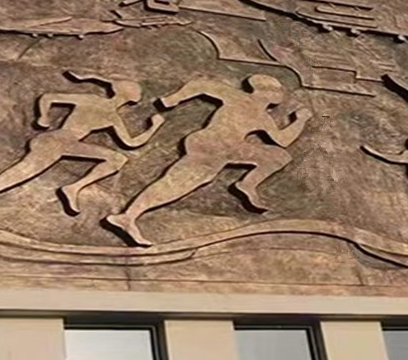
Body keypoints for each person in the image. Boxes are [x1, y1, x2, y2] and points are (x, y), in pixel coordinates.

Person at [0, 70, 164, 236]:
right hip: (53, 142)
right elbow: (49, 97)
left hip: (67, 144)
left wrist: (154, 128)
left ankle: (74, 187)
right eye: (137, 92)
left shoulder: (113, 117)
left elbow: (130, 142)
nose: (138, 95)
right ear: (127, 94)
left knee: (117, 158)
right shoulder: (92, 100)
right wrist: (42, 117)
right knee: (4, 181)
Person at [106, 74, 312, 246]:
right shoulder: (237, 97)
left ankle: (247, 184)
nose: (280, 95)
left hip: (228, 150)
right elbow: (202, 85)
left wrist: (300, 120)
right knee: (176, 183)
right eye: (277, 91)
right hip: (210, 144)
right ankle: (129, 216)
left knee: (279, 156)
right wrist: (175, 98)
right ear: (263, 91)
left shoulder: (263, 117)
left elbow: (283, 140)